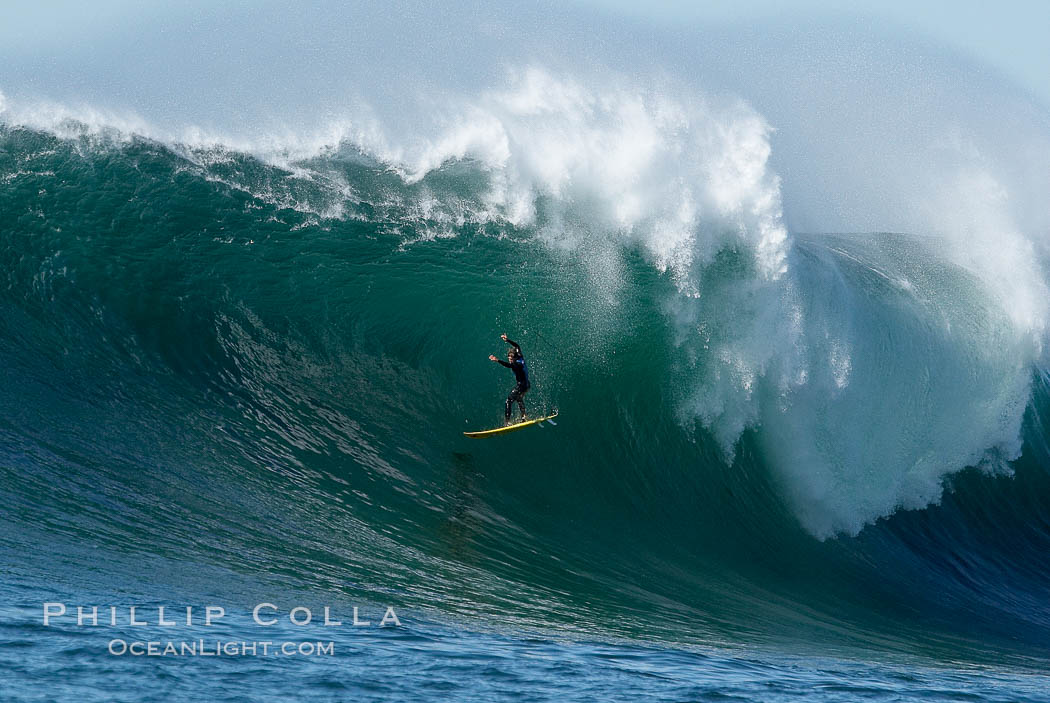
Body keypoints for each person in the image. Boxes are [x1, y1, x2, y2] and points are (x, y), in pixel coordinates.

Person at [488, 333, 530, 425]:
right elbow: (517, 345)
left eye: (511, 358)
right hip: (527, 384)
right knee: (518, 398)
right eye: (509, 358)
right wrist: (507, 340)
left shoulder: (516, 365)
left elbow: (509, 365)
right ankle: (524, 416)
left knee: (508, 401)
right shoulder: (520, 357)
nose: (510, 360)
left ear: (514, 358)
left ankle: (507, 422)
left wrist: (497, 360)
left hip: (521, 385)